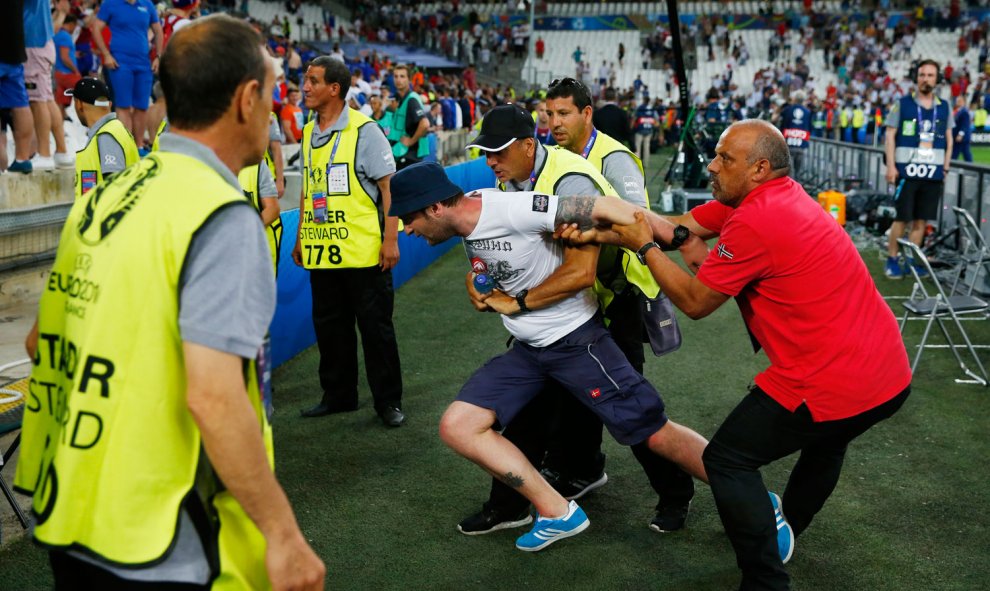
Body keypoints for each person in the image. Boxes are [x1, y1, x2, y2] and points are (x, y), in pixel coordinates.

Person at [15, 14, 325, 590]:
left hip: (72, 510)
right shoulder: (221, 215)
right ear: (247, 98)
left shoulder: (107, 198)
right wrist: (283, 534)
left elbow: (39, 343)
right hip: (156, 536)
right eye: (273, 91)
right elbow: (213, 395)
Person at [556, 119, 911, 591]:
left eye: (725, 158)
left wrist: (639, 245)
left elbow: (696, 302)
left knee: (727, 461)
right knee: (827, 443)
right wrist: (598, 226)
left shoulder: (756, 219)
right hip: (887, 373)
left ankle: (765, 581)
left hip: (832, 376)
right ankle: (785, 531)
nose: (712, 165)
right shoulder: (772, 196)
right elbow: (677, 228)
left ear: (760, 168)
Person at [389, 161, 710, 552]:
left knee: (652, 431)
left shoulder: (512, 208)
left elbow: (609, 207)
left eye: (409, 219)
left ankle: (742, 486)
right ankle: (559, 512)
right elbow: (486, 258)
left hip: (576, 343)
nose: (406, 229)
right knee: (458, 425)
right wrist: (478, 282)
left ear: (435, 208)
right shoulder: (468, 214)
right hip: (529, 353)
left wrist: (678, 235)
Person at [293, 56, 405, 428]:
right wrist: (300, 237)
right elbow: (308, 191)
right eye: (305, 80)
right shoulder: (309, 131)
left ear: (334, 89)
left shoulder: (364, 130)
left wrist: (391, 239)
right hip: (322, 252)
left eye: (312, 81)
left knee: (375, 330)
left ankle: (388, 401)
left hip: (364, 255)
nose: (304, 87)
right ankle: (338, 395)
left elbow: (390, 187)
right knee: (330, 328)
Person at [884, 59, 953, 280]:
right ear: (917, 78)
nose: (925, 79)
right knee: (902, 218)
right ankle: (892, 259)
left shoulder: (944, 107)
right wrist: (891, 165)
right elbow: (890, 135)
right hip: (906, 172)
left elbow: (949, 139)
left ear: (937, 79)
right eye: (922, 75)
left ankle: (913, 260)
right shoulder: (902, 104)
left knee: (921, 220)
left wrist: (946, 166)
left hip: (932, 173)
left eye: (930, 75)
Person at [89, 0, 164, 144]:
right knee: (123, 106)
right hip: (120, 63)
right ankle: (126, 145)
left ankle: (139, 145)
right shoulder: (111, 4)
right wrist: (106, 55)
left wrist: (158, 57)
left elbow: (158, 30)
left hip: (143, 63)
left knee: (142, 106)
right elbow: (96, 28)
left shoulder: (146, 4)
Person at [66, 77, 139, 200]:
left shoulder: (106, 136)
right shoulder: (112, 131)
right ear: (109, 104)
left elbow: (115, 189)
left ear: (78, 104)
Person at [24, 0, 73, 170]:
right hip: (41, 42)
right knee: (47, 99)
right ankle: (61, 151)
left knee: (38, 101)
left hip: (33, 44)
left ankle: (44, 154)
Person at [385, 64, 430, 170]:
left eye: (402, 76)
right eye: (396, 76)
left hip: (409, 156)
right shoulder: (397, 99)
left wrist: (411, 141)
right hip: (399, 153)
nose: (398, 80)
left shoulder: (412, 99)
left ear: (409, 79)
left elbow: (425, 124)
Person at [776, 90, 811, 177]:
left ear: (794, 99)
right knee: (798, 172)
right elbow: (810, 127)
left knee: (789, 173)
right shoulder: (807, 112)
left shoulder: (787, 110)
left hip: (788, 145)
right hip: (801, 145)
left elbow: (779, 118)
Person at [53, 13, 81, 122]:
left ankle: (61, 119)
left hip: (58, 72)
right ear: (71, 24)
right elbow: (64, 57)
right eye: (75, 26)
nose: (75, 29)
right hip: (66, 73)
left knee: (60, 100)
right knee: (87, 93)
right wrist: (76, 70)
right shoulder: (65, 36)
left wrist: (74, 55)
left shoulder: (58, 34)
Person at [632, 95, 660, 169]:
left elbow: (634, 117)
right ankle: (646, 164)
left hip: (640, 129)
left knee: (637, 147)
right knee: (646, 147)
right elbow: (657, 121)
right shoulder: (652, 109)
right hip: (649, 130)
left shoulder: (640, 108)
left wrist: (631, 127)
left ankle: (637, 164)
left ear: (644, 100)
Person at [952, 94, 972, 162]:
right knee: (964, 154)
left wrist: (960, 134)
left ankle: (972, 168)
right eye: (957, 100)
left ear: (963, 102)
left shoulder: (964, 112)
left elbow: (965, 125)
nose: (957, 102)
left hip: (962, 138)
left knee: (965, 154)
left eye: (959, 100)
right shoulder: (959, 111)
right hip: (960, 138)